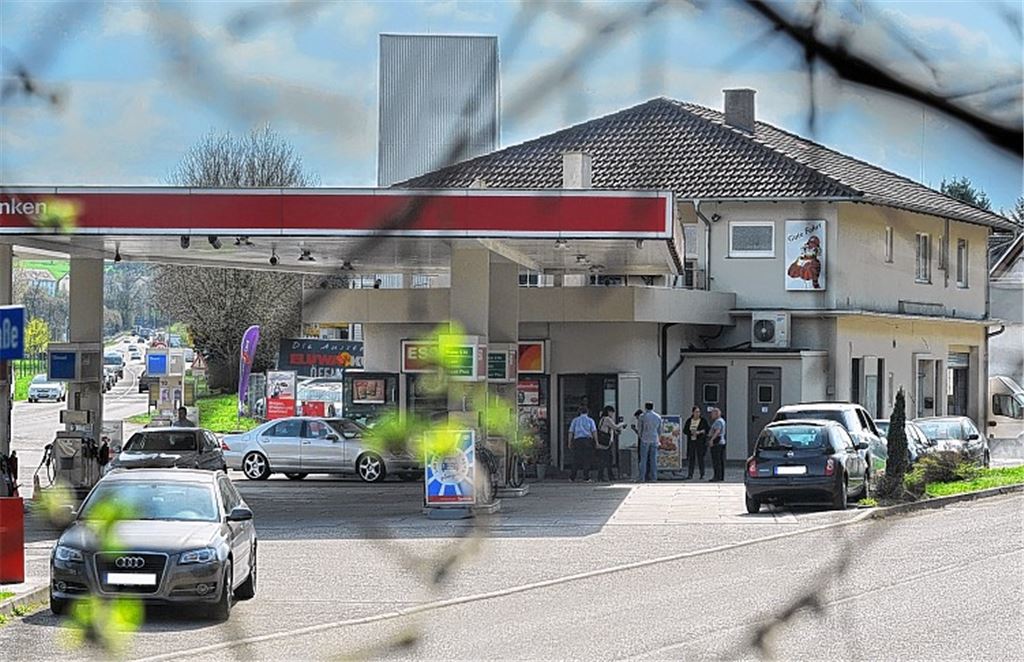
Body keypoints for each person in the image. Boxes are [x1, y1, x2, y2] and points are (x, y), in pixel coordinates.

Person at [568, 405, 597, 482]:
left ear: (579, 412)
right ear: (587, 412)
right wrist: (596, 441)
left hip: (577, 440)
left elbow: (571, 432)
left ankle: (572, 477)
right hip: (587, 440)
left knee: (576, 459)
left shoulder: (575, 420)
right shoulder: (590, 420)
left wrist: (569, 442)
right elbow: (594, 431)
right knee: (587, 459)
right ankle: (586, 477)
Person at [596, 406, 625, 482]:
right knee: (606, 459)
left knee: (605, 459)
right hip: (606, 443)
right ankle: (604, 476)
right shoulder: (607, 419)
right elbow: (615, 427)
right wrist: (622, 424)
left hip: (603, 442)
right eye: (612, 412)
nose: (612, 414)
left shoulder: (602, 419)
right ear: (608, 411)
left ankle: (605, 475)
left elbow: (612, 429)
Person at [683, 406, 710, 480]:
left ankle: (702, 474)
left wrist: (700, 432)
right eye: (696, 412)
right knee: (691, 458)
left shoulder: (703, 420)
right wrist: (690, 432)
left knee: (700, 458)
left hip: (700, 442)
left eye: (699, 412)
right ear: (693, 412)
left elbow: (707, 429)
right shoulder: (689, 420)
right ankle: (690, 474)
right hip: (691, 441)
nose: (698, 413)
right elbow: (685, 430)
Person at [637, 401, 661, 482]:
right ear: (653, 407)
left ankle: (642, 478)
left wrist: (640, 436)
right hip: (654, 438)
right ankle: (654, 477)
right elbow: (659, 430)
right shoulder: (658, 417)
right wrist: (658, 438)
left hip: (645, 439)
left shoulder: (642, 416)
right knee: (653, 459)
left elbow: (640, 428)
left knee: (643, 459)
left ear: (645, 407)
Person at [708, 407, 727, 482]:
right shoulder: (722, 421)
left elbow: (717, 431)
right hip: (722, 442)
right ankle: (721, 476)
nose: (711, 415)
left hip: (717, 443)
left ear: (716, 414)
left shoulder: (718, 421)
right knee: (720, 460)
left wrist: (711, 440)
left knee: (716, 460)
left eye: (712, 413)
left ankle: (717, 476)